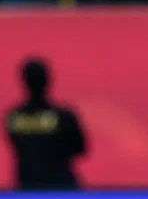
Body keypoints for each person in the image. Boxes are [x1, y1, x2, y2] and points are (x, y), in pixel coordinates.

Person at [5, 58, 87, 190]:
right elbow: (81, 149)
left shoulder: (13, 118)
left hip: (28, 187)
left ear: (25, 81)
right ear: (47, 80)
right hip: (61, 187)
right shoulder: (64, 117)